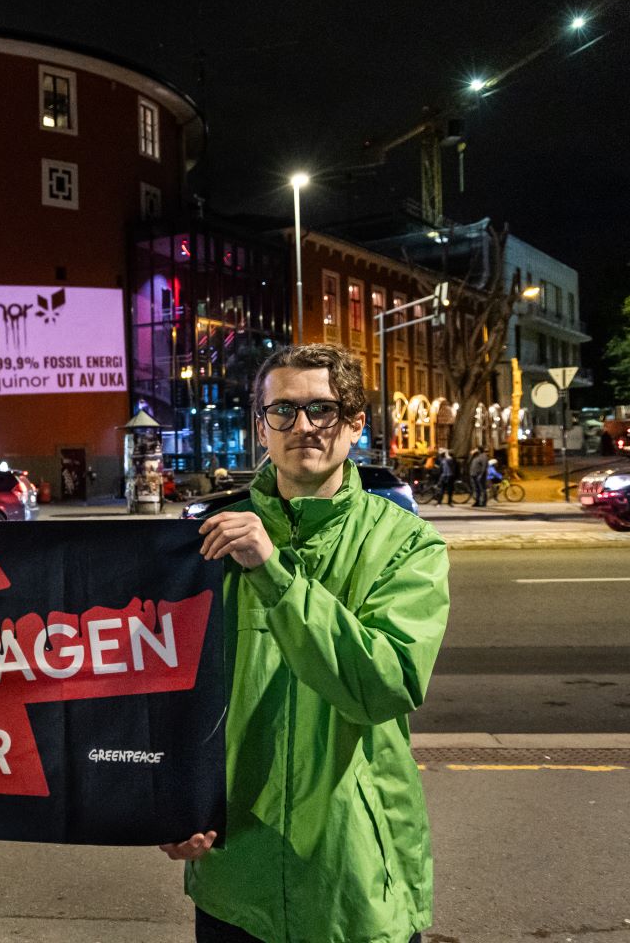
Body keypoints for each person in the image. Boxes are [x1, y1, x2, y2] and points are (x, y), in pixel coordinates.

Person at [163, 342, 449, 943]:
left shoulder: (407, 543)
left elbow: (384, 685)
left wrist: (272, 572)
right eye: (283, 411)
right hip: (235, 868)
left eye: (323, 410)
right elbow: (165, 695)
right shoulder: (204, 546)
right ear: (259, 427)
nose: (304, 427)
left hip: (355, 874)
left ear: (354, 424)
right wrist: (169, 803)